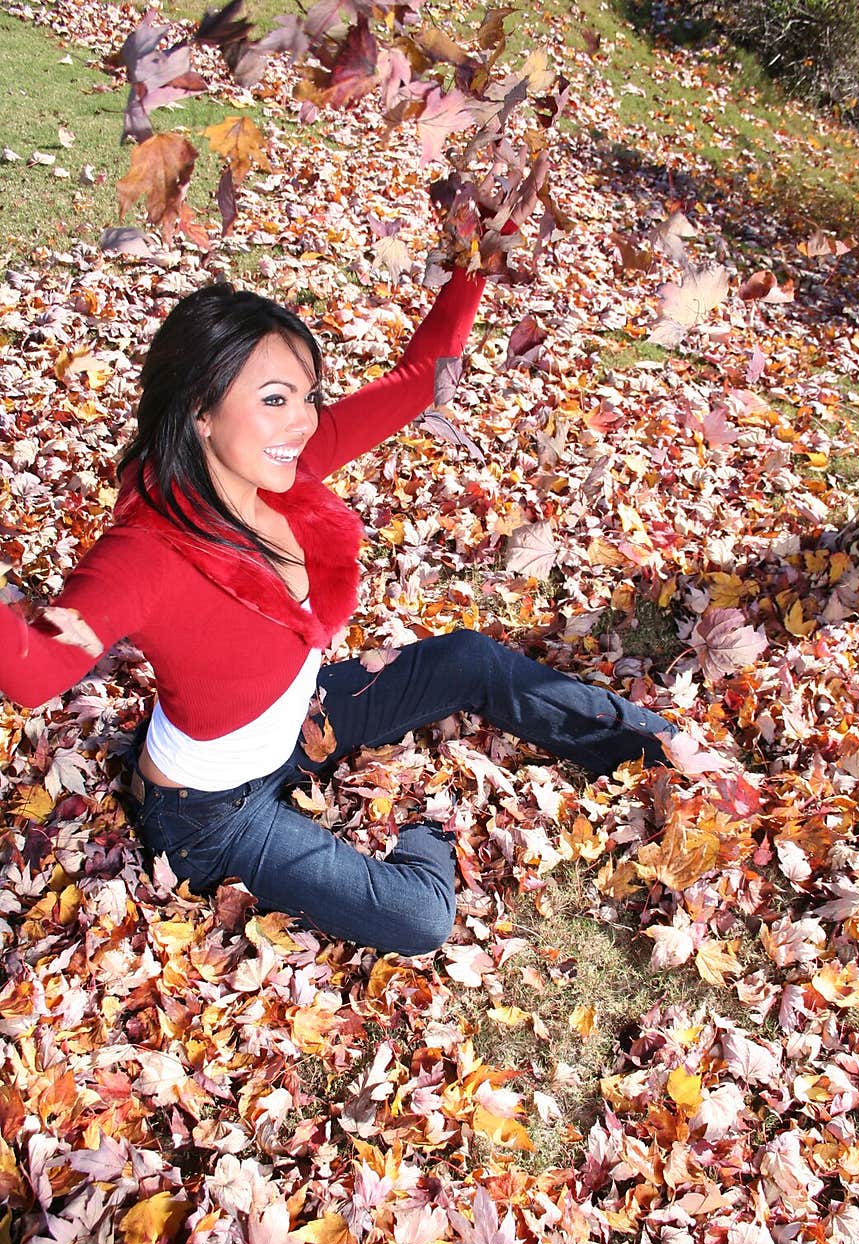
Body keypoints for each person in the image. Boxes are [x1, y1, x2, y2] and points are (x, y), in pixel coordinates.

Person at [0, 246, 675, 956]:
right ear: (200, 409)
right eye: (273, 400)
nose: (299, 422)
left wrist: (478, 261)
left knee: (469, 656)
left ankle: (656, 747)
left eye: (305, 395)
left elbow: (420, 382)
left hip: (301, 719)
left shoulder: (283, 467)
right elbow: (33, 672)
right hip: (209, 816)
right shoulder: (144, 552)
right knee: (420, 919)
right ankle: (428, 831)